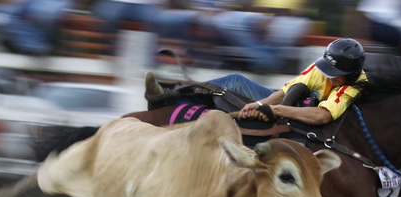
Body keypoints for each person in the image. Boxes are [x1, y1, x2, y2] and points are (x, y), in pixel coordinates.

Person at [145, 37, 368, 125]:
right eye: (326, 69)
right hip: (292, 105)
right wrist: (262, 105)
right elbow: (284, 92)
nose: (327, 74)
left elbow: (322, 115)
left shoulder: (353, 87)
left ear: (350, 74)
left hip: (301, 114)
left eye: (333, 72)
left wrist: (278, 111)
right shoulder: (321, 68)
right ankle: (169, 96)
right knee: (234, 81)